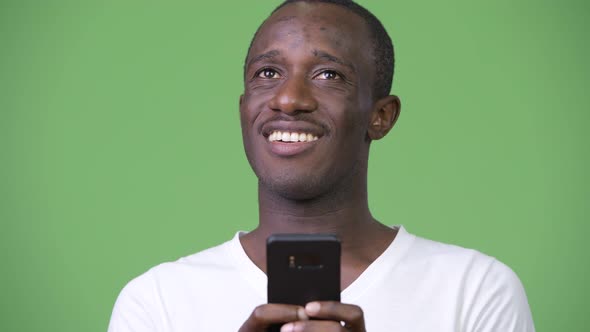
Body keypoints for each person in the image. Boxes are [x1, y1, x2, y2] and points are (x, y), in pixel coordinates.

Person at [108, 1, 535, 331]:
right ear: (243, 109)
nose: (289, 99)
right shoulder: (157, 301)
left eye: (328, 75)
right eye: (268, 72)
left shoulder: (474, 291)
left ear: (381, 116)